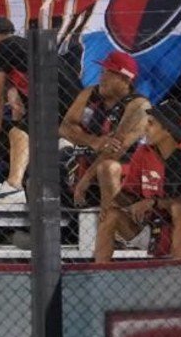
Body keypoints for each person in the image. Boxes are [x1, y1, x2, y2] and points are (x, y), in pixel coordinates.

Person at [0, 17, 82, 205]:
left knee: (18, 132)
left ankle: (13, 187)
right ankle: (64, 146)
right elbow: (19, 108)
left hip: (56, 101)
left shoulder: (1, 48)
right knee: (24, 133)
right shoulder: (24, 49)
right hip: (76, 104)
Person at [97, 99, 181, 263]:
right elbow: (129, 192)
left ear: (168, 130)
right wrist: (113, 205)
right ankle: (100, 273)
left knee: (179, 208)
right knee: (111, 215)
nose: (145, 128)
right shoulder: (143, 152)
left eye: (151, 124)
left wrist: (153, 203)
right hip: (148, 225)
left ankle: (178, 271)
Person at [59, 50, 151, 224]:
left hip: (126, 170)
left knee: (108, 167)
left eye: (109, 74)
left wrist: (85, 180)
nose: (102, 78)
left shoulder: (138, 104)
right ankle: (56, 230)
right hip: (84, 161)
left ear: (126, 79)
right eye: (102, 73)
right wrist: (94, 141)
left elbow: (116, 149)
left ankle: (117, 229)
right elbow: (65, 127)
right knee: (43, 165)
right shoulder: (90, 93)